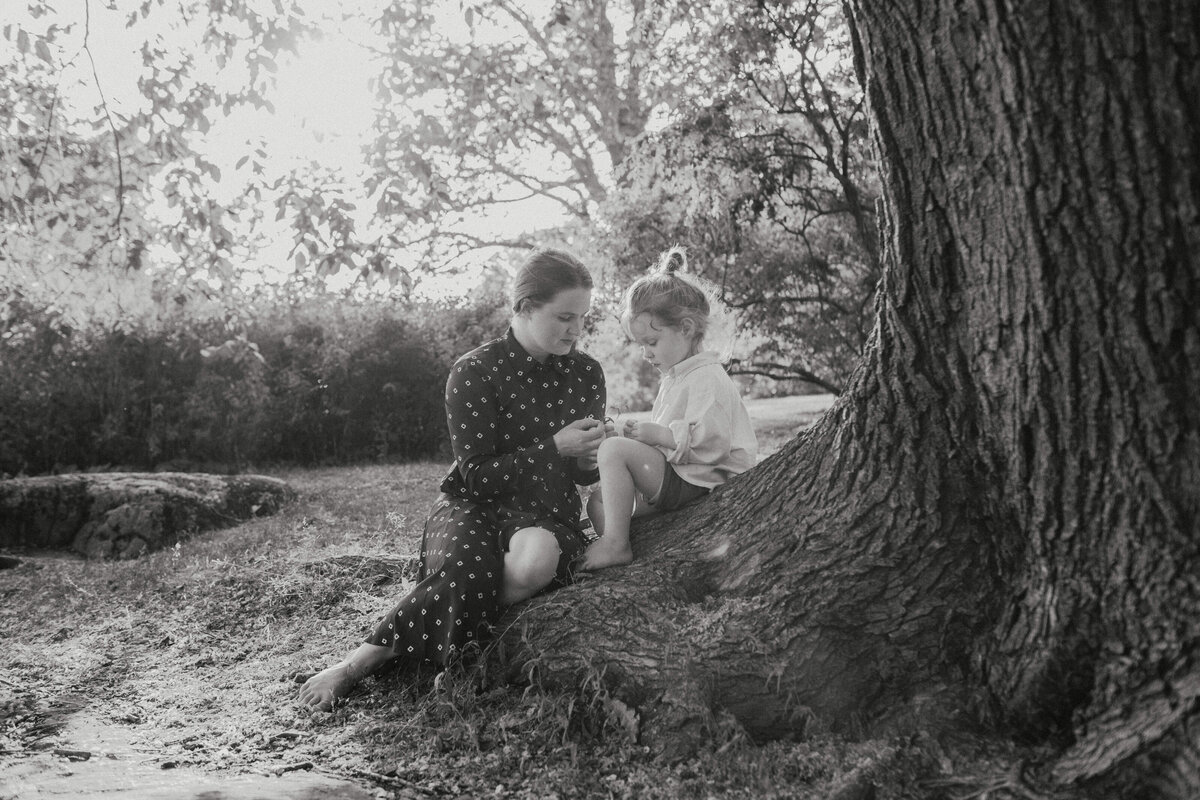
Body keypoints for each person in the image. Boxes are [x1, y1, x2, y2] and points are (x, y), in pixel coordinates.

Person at [299, 248, 608, 710]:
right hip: (473, 503)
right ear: (524, 307)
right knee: (469, 566)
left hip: (545, 510)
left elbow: (583, 472)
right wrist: (554, 448)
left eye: (582, 317)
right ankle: (358, 662)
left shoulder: (586, 373)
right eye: (564, 317)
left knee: (538, 559)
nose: (575, 330)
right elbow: (477, 476)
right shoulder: (474, 371)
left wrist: (593, 453)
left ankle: (439, 613)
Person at [580, 247, 757, 571]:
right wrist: (639, 436)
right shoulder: (679, 374)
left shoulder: (707, 377)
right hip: (681, 476)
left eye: (652, 342)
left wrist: (657, 435)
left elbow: (713, 444)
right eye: (641, 344)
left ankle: (616, 545)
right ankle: (628, 545)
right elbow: (671, 433)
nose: (646, 353)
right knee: (600, 500)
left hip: (701, 480)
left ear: (686, 329)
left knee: (613, 452)